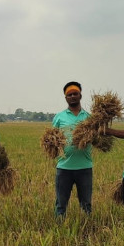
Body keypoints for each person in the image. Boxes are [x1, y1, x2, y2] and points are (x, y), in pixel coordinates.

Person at [52, 81, 92, 216]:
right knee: (61, 204)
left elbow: (98, 137)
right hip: (64, 167)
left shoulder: (89, 118)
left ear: (80, 95)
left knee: (86, 204)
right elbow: (52, 139)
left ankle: (88, 228)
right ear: (66, 98)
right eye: (70, 95)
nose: (73, 96)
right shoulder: (59, 117)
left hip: (84, 167)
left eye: (75, 94)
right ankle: (60, 229)